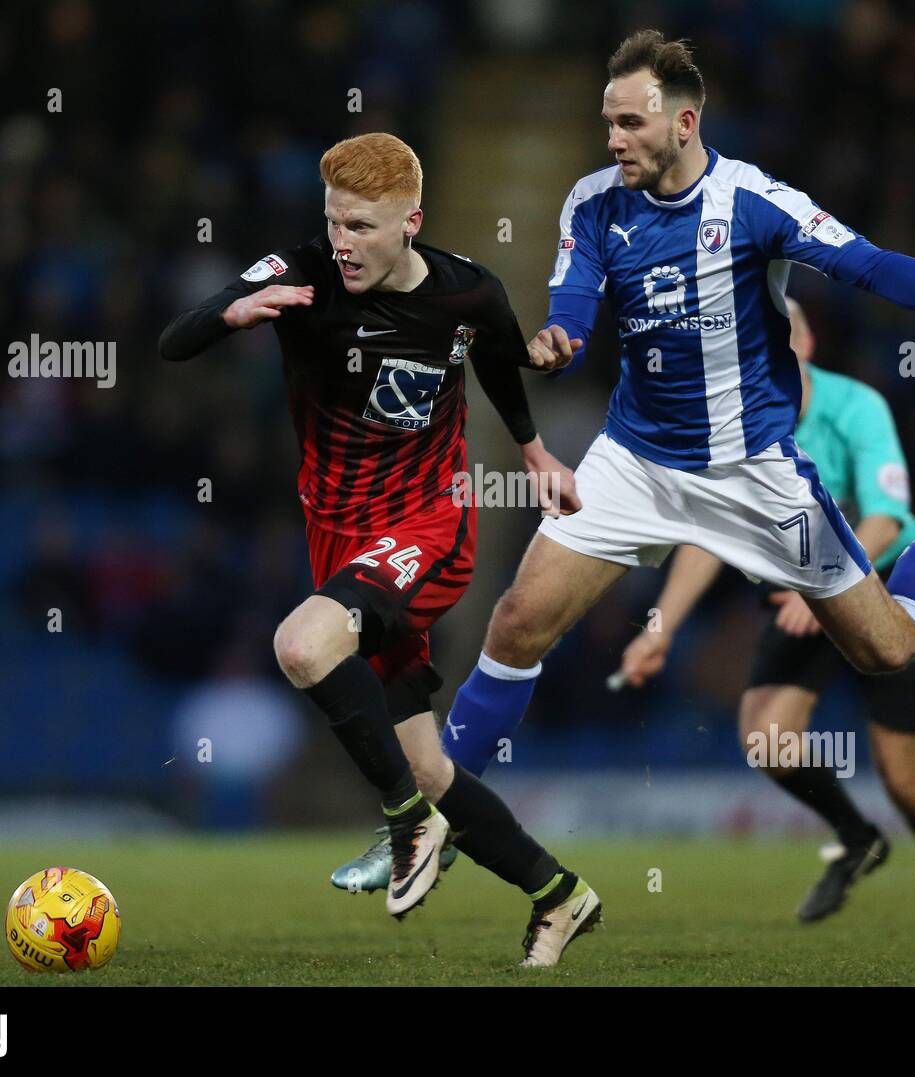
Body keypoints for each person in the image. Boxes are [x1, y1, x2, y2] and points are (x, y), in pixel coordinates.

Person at [331, 31, 915, 898]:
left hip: (753, 472)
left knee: (891, 648)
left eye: (630, 123)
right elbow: (574, 300)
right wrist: (560, 339)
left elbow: (864, 263)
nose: (614, 140)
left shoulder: (754, 202)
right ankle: (435, 824)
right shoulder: (594, 202)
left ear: (683, 121)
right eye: (607, 123)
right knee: (517, 620)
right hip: (635, 462)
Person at [160, 133, 601, 966]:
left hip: (429, 526)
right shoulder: (300, 272)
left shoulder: (469, 293)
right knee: (428, 763)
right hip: (340, 538)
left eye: (360, 226)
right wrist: (233, 311)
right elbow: (171, 342)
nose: (342, 242)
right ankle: (560, 894)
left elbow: (501, 366)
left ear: (411, 222)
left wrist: (536, 452)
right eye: (333, 222)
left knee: (301, 642)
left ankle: (408, 828)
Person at [620, 300, 915, 926]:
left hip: (890, 585)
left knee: (904, 776)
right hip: (803, 594)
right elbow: (705, 538)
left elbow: (886, 516)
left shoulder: (857, 408)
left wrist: (821, 584)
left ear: (807, 343)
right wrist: (661, 629)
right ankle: (857, 836)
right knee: (765, 738)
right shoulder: (732, 429)